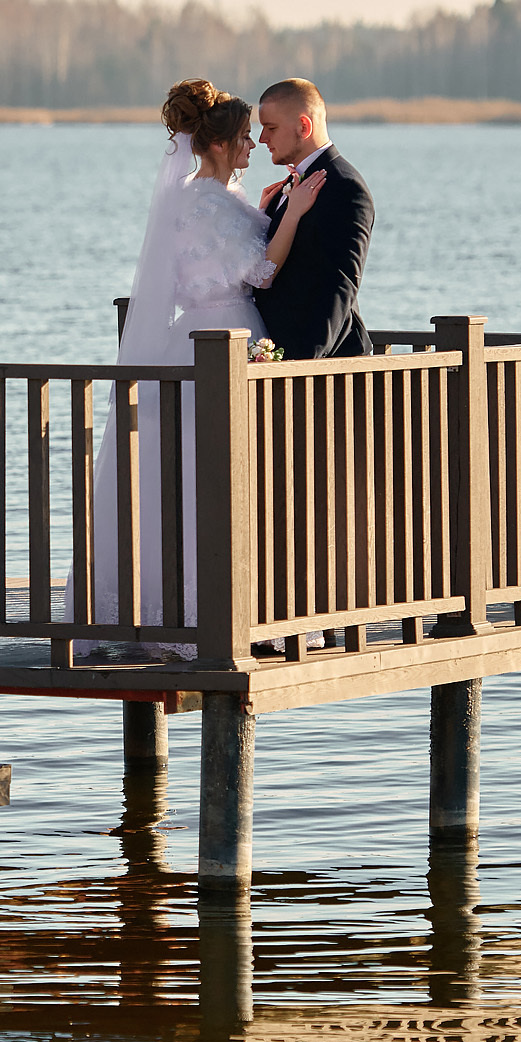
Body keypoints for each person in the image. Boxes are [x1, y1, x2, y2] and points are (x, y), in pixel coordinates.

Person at [84, 79, 323, 650]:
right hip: (215, 339)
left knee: (239, 476)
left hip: (224, 336)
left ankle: (243, 601)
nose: (251, 147)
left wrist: (267, 210)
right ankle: (198, 609)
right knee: (204, 477)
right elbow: (260, 272)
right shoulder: (201, 201)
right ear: (217, 145)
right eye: (244, 138)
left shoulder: (223, 199)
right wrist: (296, 213)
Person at [252, 78, 374, 359]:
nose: (262, 139)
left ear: (303, 127)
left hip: (320, 364)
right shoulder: (289, 187)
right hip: (279, 354)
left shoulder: (345, 187)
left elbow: (340, 283)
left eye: (270, 128)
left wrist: (306, 360)